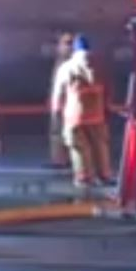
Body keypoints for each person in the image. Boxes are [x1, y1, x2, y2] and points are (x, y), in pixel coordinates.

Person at [50, 34, 111, 189]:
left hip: (74, 117)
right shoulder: (101, 66)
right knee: (100, 146)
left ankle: (85, 179)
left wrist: (56, 113)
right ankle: (104, 175)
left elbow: (59, 93)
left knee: (79, 148)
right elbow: (108, 90)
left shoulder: (66, 67)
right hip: (97, 115)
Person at [48, 32, 76, 169]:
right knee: (57, 132)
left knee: (68, 133)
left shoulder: (73, 64)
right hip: (59, 103)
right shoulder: (59, 62)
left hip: (69, 104)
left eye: (68, 43)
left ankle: (68, 160)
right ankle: (59, 159)